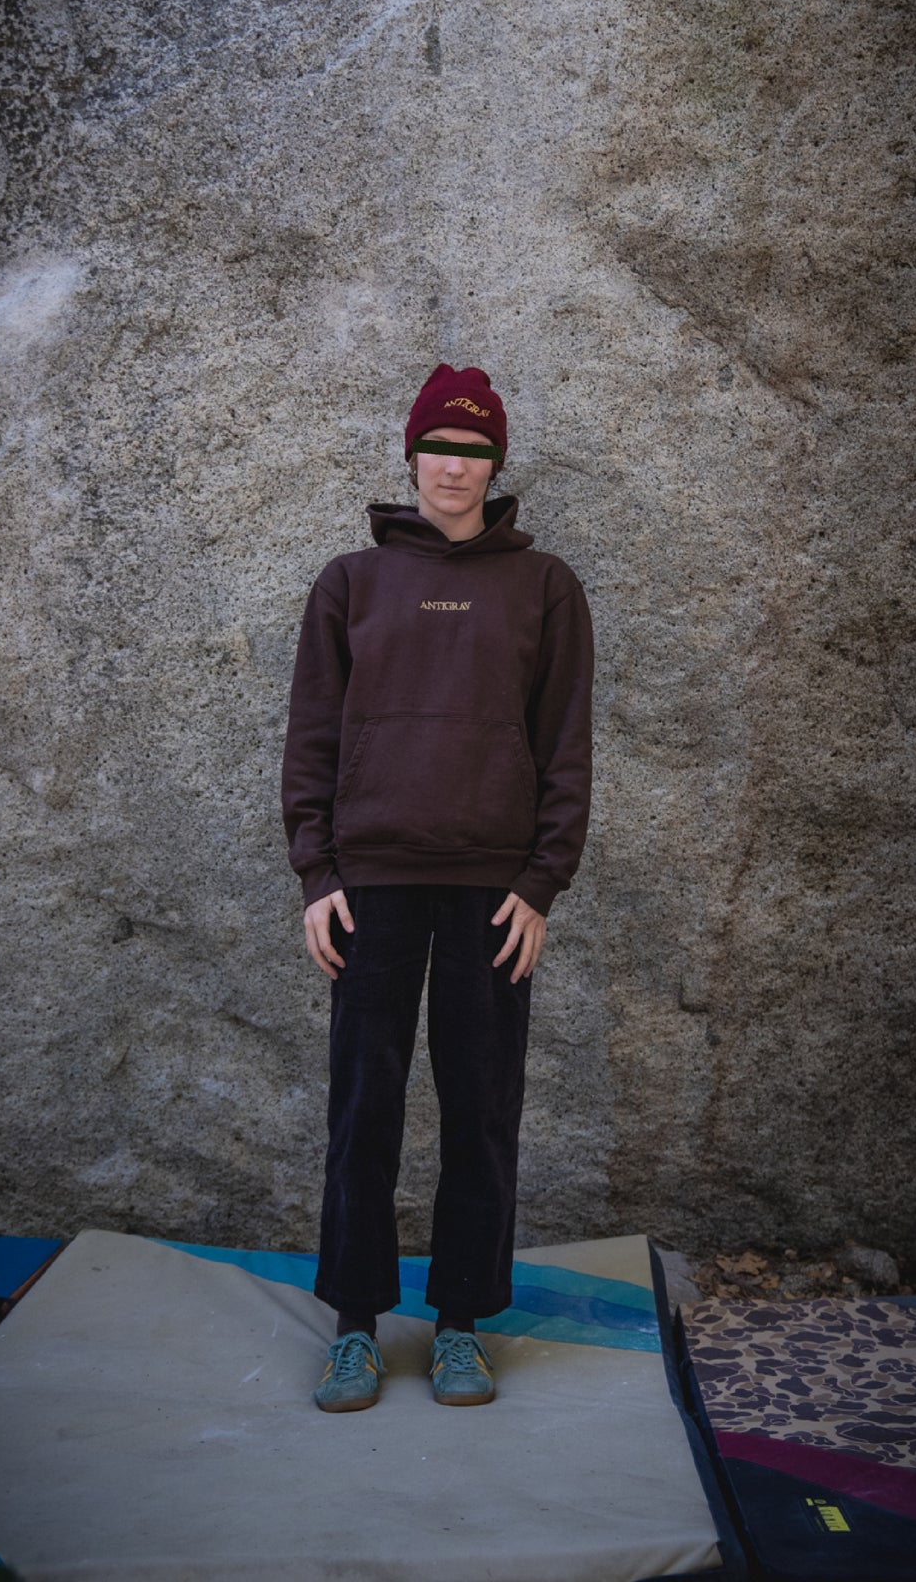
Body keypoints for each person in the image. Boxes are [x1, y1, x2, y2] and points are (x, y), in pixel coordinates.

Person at [281, 362, 593, 1412]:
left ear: (495, 465)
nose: (453, 468)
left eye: (473, 451)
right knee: (362, 1111)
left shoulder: (544, 586)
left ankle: (460, 1325)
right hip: (369, 885)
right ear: (410, 456)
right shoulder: (350, 583)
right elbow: (312, 738)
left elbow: (565, 743)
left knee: (482, 1109)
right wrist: (318, 875)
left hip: (492, 894)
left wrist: (542, 881)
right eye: (437, 448)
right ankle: (356, 1328)